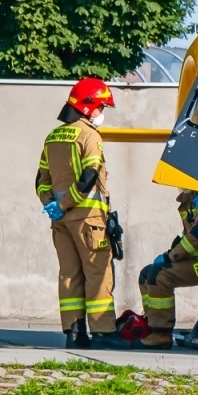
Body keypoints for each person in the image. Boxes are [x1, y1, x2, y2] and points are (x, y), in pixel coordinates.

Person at [37, 77, 122, 349]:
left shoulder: (53, 136)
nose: (102, 114)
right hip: (88, 221)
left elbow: (41, 180)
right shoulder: (89, 136)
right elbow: (88, 176)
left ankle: (74, 333)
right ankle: (103, 332)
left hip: (61, 223)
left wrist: (52, 205)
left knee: (70, 274)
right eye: (101, 107)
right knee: (98, 273)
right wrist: (65, 204)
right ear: (87, 107)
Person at [137, 190, 198, 349]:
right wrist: (168, 254)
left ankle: (161, 333)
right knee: (146, 274)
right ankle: (151, 323)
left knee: (160, 275)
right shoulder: (189, 200)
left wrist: (171, 257)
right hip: (196, 258)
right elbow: (188, 235)